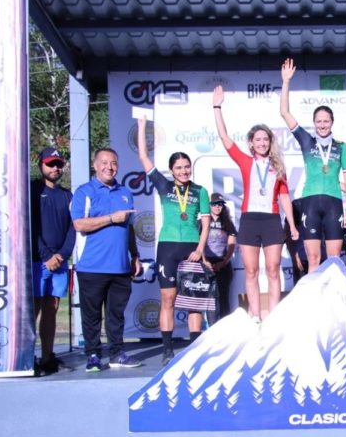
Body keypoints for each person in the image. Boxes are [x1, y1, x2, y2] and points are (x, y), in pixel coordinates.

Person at [213, 86, 298, 321]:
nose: (262, 143)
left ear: (270, 142)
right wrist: (217, 106)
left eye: (265, 139)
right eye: (257, 139)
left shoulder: (278, 166)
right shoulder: (245, 161)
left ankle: (274, 316)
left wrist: (291, 225)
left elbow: (284, 197)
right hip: (250, 220)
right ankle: (256, 316)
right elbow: (224, 138)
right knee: (251, 271)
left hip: (271, 221)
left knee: (273, 270)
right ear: (251, 143)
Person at [137, 117, 211, 365]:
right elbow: (144, 158)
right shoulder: (164, 185)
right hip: (167, 248)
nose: (184, 171)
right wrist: (141, 127)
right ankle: (167, 350)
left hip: (192, 248)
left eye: (187, 167)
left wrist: (200, 249)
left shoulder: (200, 191)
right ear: (171, 170)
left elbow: (206, 224)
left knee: (193, 302)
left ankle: (194, 349)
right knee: (168, 299)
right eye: (179, 168)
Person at [71, 147, 143, 372]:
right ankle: (93, 355)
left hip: (120, 266)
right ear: (95, 165)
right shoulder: (84, 192)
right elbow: (79, 224)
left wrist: (135, 255)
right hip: (92, 266)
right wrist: (111, 218)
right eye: (104, 162)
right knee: (91, 315)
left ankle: (117, 354)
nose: (109, 167)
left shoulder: (125, 192)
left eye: (113, 163)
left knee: (116, 315)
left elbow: (129, 228)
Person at [280, 58, 346, 272]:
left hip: (334, 203)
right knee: (312, 259)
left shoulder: (342, 147)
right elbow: (284, 113)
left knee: (335, 261)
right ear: (314, 123)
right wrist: (286, 82)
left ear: (332, 122)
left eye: (326, 121)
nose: (322, 125)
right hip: (310, 202)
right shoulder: (307, 141)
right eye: (319, 121)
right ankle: (314, 294)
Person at [30, 147, 76, 375]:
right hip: (37, 261)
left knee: (52, 308)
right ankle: (27, 358)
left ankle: (47, 357)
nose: (55, 168)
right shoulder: (32, 191)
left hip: (59, 262)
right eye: (50, 164)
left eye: (58, 164)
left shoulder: (67, 195)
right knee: (33, 310)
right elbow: (30, 226)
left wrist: (62, 255)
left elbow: (73, 228)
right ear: (41, 165)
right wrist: (47, 255)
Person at [203, 192, 237, 322]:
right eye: (214, 204)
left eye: (220, 204)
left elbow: (231, 244)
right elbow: (198, 243)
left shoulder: (227, 222)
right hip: (206, 264)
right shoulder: (202, 222)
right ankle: (212, 328)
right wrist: (205, 261)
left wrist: (224, 261)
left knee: (223, 297)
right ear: (209, 205)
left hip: (223, 264)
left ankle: (225, 328)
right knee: (210, 299)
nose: (217, 207)